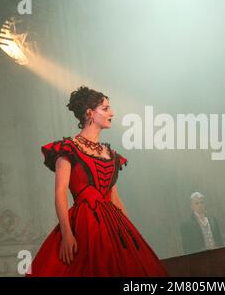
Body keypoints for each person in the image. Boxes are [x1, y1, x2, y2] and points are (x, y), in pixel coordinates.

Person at [27, 86, 168, 277]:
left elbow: (115, 198)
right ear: (89, 113)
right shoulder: (68, 149)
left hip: (113, 224)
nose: (112, 113)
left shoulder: (110, 154)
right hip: (85, 225)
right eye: (106, 108)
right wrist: (67, 233)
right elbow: (60, 193)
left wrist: (130, 232)